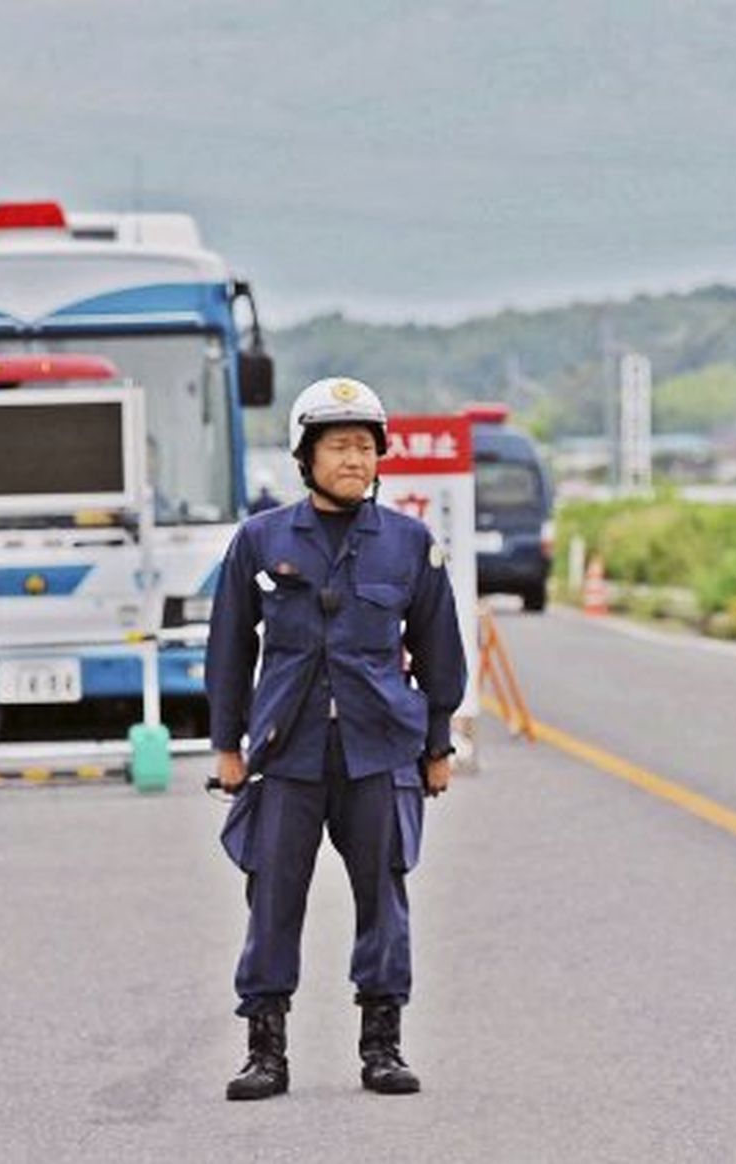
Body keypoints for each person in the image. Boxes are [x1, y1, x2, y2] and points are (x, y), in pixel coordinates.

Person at [205, 376, 467, 1101]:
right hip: (287, 749)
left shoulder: (410, 545)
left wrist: (437, 746)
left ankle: (382, 1044)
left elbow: (441, 651)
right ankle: (265, 1048)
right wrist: (228, 744)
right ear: (305, 456)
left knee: (383, 894)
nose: (355, 460)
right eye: (339, 446)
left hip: (380, 747)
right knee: (272, 897)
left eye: (365, 447)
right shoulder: (260, 539)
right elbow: (229, 648)